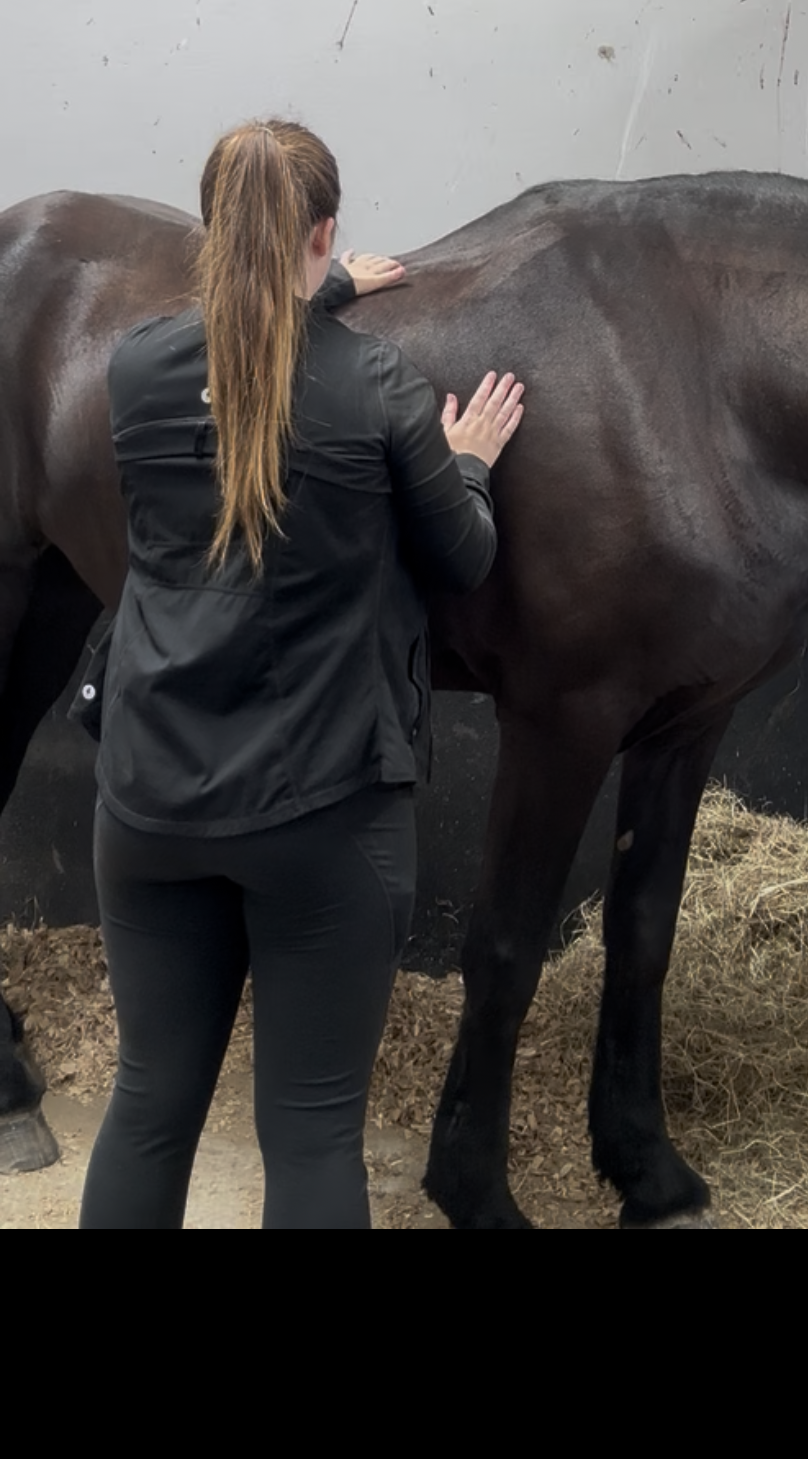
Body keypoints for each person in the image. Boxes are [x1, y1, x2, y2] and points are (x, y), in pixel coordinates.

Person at [77, 117, 522, 1230]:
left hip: (148, 810)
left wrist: (312, 301)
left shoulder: (133, 372)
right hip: (323, 815)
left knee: (146, 1110)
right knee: (313, 1134)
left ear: (211, 231)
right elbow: (460, 561)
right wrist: (468, 467)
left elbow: (240, 369)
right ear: (326, 233)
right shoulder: (383, 389)